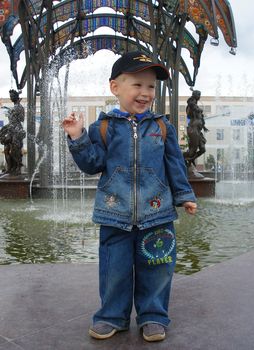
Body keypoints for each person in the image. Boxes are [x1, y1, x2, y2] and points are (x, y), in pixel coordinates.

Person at [62, 51, 197, 342]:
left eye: (151, 86)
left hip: (157, 213)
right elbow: (92, 164)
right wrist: (78, 137)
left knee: (158, 268)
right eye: (137, 84)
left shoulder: (162, 127)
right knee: (115, 269)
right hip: (114, 214)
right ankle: (112, 316)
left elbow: (175, 165)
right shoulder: (104, 127)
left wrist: (185, 195)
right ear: (115, 87)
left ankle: (153, 316)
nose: (145, 92)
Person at [184, 90, 208, 170]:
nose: (200, 96)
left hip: (198, 130)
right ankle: (179, 157)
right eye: (199, 94)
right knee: (192, 151)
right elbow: (191, 104)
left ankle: (191, 159)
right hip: (193, 129)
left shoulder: (195, 105)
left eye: (200, 95)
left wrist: (204, 127)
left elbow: (201, 118)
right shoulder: (191, 103)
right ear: (194, 95)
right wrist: (199, 109)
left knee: (202, 149)